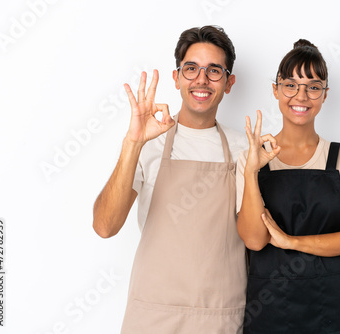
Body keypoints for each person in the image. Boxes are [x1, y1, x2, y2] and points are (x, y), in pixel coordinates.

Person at [92, 26, 248, 333]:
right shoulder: (148, 142)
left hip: (220, 316)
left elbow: (255, 237)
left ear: (229, 83)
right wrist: (133, 142)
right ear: (176, 78)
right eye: (191, 68)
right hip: (153, 315)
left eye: (214, 71)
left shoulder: (245, 149)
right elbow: (104, 226)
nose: (201, 79)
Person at [236, 39, 340, 333]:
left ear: (325, 94)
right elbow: (255, 240)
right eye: (290, 84)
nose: (301, 95)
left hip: (335, 306)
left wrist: (291, 242)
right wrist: (251, 172)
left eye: (313, 86)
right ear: (276, 89)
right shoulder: (251, 160)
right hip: (270, 305)